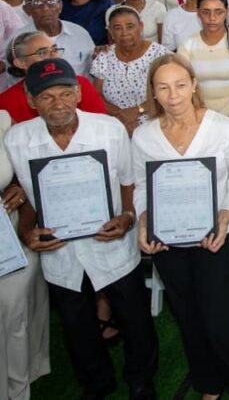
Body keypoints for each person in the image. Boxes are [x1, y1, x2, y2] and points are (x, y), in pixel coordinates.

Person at [8, 59, 159, 399]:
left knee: (135, 319)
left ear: (78, 93)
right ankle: (96, 383)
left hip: (111, 242)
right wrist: (27, 233)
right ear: (31, 100)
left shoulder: (108, 129)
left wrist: (127, 217)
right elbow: (29, 197)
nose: (58, 104)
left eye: (65, 93)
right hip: (60, 251)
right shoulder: (18, 140)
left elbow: (127, 182)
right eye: (46, 97)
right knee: (78, 328)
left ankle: (140, 380)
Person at [132, 54, 229, 399]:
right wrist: (144, 220)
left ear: (193, 86)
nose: (173, 95)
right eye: (163, 87)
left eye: (180, 85)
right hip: (168, 244)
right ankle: (208, 384)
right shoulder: (143, 137)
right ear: (153, 93)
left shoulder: (223, 127)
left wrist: (226, 214)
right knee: (187, 317)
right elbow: (143, 187)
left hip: (213, 237)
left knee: (219, 322)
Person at [0, 106, 50, 400]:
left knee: (13, 309)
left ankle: (17, 390)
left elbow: (26, 168)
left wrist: (19, 186)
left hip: (8, 229)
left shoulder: (5, 120)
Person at [90, 6, 170, 136]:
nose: (124, 32)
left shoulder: (160, 55)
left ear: (141, 26)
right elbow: (97, 95)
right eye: (117, 28)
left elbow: (168, 92)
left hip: (156, 125)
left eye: (130, 26)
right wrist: (121, 115)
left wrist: (137, 111)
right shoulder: (104, 57)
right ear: (110, 31)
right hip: (116, 125)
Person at [177, 0, 229, 118]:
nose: (212, 18)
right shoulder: (187, 45)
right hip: (200, 117)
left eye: (218, 12)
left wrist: (219, 117)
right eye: (205, 12)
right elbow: (182, 86)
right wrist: (202, 116)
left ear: (227, 12)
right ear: (198, 13)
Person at [0, 31, 106, 122]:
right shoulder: (6, 101)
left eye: (54, 50)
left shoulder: (80, 84)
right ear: (20, 63)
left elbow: (100, 124)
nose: (53, 56)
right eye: (42, 52)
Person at [10, 0, 94, 77]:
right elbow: (14, 79)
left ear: (60, 6)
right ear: (27, 10)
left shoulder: (79, 33)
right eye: (37, 3)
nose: (45, 8)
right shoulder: (18, 40)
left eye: (51, 2)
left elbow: (92, 70)